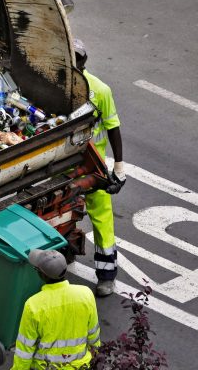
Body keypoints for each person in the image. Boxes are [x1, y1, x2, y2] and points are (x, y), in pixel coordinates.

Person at [73, 38, 126, 297]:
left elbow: (113, 127)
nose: (74, 61)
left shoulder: (100, 90)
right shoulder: (55, 84)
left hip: (92, 166)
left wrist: (119, 167)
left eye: (78, 57)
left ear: (85, 60)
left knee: (102, 219)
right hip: (63, 163)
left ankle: (106, 276)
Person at [11, 249, 101, 370]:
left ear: (42, 275)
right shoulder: (85, 294)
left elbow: (25, 349)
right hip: (81, 365)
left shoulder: (33, 305)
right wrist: (96, 356)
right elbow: (93, 334)